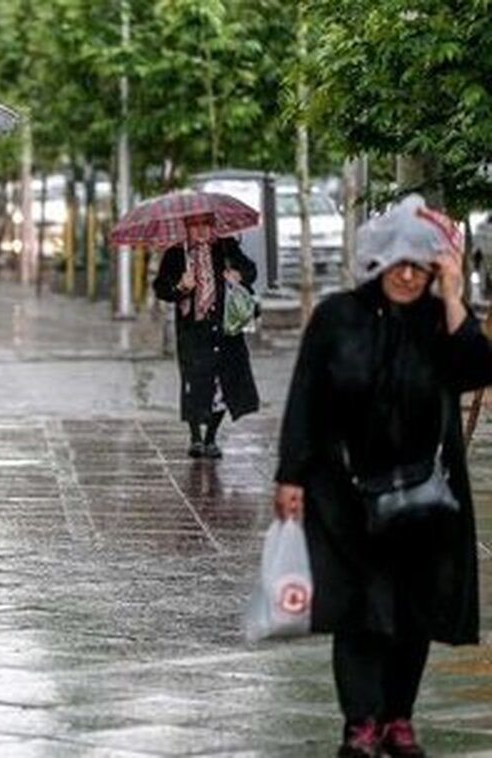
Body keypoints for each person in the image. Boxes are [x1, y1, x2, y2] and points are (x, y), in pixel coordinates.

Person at [273, 195, 492, 758]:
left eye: (419, 266)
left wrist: (453, 294)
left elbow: (477, 369)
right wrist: (290, 475)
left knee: (413, 611)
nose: (407, 275)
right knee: (361, 612)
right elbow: (306, 399)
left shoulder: (436, 320)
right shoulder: (337, 316)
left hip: (425, 495)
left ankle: (399, 718)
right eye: (398, 264)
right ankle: (360, 723)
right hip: (346, 491)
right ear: (377, 264)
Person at [153, 213, 259, 458]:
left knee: (223, 384)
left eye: (207, 225)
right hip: (193, 330)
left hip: (225, 329)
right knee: (194, 383)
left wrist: (238, 276)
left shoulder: (226, 247)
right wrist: (180, 287)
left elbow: (250, 269)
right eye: (195, 225)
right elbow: (161, 288)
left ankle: (211, 437)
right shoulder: (176, 254)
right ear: (186, 228)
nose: (201, 231)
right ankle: (195, 437)